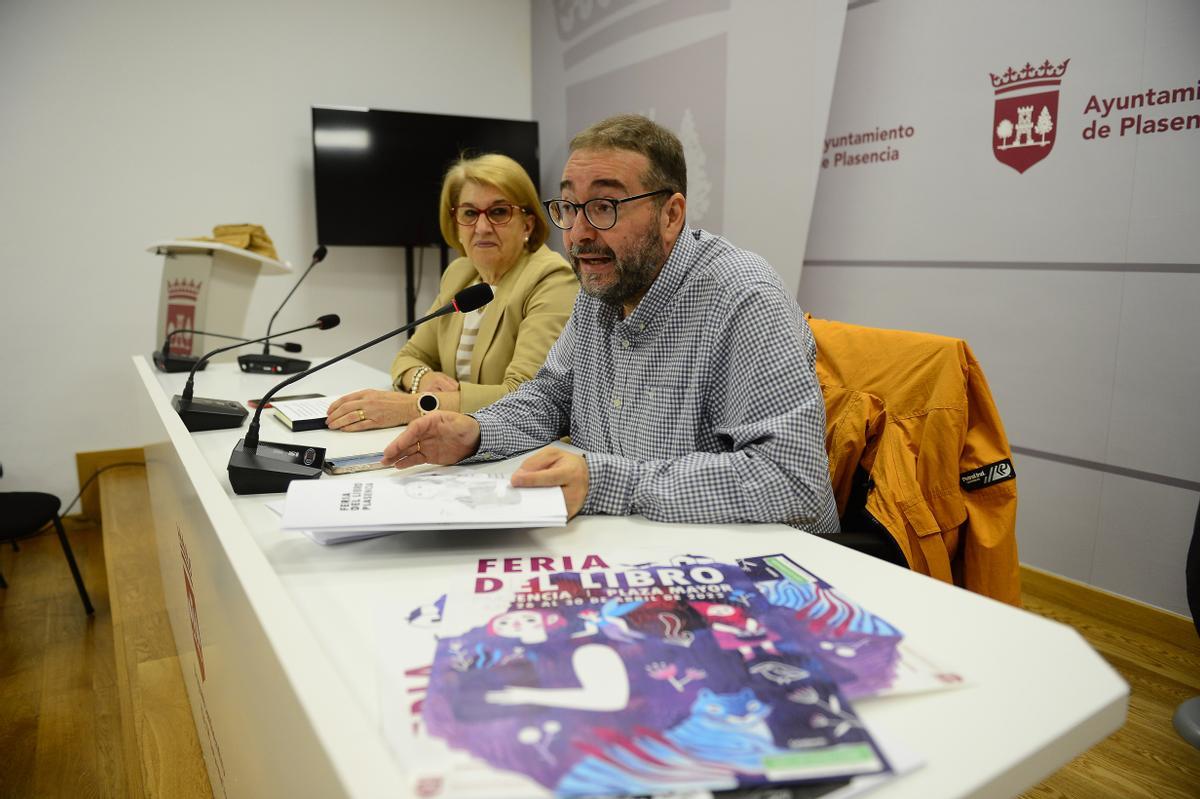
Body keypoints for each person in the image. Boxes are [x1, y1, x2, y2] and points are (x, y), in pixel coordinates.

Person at [381, 114, 839, 535]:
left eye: (604, 206)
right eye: (569, 207)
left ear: (671, 214)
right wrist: (477, 431)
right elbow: (550, 397)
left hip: (755, 572)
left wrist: (603, 482)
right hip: (630, 545)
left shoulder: (742, 299)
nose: (578, 232)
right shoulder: (601, 288)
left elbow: (792, 481)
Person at [325, 154, 578, 430]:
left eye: (499, 212)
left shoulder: (551, 279)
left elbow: (526, 396)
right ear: (457, 225)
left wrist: (415, 405)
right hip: (455, 440)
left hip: (519, 447)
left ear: (527, 224)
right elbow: (409, 357)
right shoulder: (461, 274)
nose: (482, 228)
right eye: (469, 213)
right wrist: (423, 378)